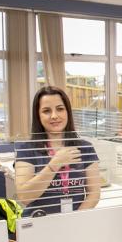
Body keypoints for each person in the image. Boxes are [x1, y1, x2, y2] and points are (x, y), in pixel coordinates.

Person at [14, 87, 100, 215]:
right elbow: (24, 197)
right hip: (39, 224)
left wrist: (73, 220)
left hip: (75, 223)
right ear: (38, 115)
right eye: (46, 111)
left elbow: (94, 193)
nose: (54, 116)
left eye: (60, 109)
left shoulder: (85, 148)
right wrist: (54, 165)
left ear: (67, 112)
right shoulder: (27, 149)